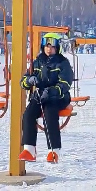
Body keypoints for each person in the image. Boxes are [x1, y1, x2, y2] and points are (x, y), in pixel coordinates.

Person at [18, 33, 73, 164]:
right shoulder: (37, 62)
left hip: (57, 97)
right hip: (40, 95)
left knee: (49, 114)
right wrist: (30, 80)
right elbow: (23, 81)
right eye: (46, 46)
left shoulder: (63, 63)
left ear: (57, 48)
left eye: (52, 47)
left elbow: (65, 84)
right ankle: (29, 149)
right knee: (28, 114)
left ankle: (54, 150)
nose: (49, 49)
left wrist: (52, 91)